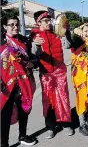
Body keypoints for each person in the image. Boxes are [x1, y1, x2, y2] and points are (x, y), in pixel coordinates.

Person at [30, 10, 74, 139]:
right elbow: (34, 54)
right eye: (45, 21)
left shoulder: (57, 32)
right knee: (48, 101)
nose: (49, 22)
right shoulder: (34, 35)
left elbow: (67, 46)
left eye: (49, 20)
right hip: (46, 73)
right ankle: (50, 126)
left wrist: (66, 33)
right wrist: (36, 45)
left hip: (59, 71)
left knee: (63, 98)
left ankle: (66, 124)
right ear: (38, 22)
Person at [1, 16, 37, 147]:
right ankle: (4, 143)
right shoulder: (1, 41)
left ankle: (22, 135)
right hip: (6, 84)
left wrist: (32, 63)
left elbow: (34, 58)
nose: (15, 27)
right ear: (5, 26)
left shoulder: (24, 40)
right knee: (5, 114)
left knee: (24, 109)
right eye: (11, 24)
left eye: (17, 24)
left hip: (24, 82)